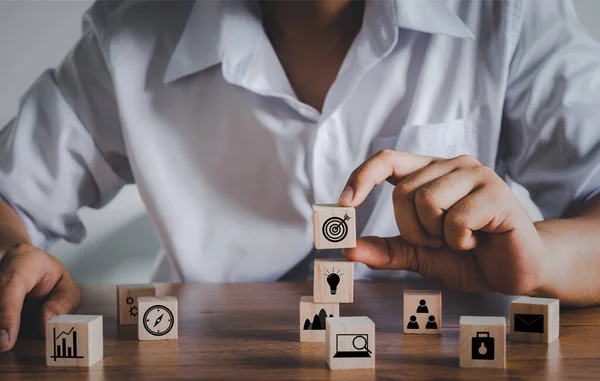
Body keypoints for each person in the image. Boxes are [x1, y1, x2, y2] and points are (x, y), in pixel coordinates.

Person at [1, 0, 600, 352]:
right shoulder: (128, 31)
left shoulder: (513, 13)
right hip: (206, 357)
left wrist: (543, 258)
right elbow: (10, 196)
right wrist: (11, 252)